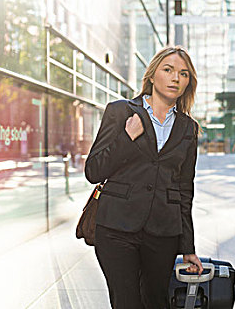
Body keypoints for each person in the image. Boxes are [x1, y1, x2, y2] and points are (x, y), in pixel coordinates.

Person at [84, 45, 203, 309]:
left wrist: (188, 247)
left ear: (188, 83)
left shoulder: (188, 129)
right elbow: (93, 170)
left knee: (156, 302)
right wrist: (127, 138)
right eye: (168, 70)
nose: (175, 78)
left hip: (163, 231)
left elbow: (185, 190)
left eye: (183, 74)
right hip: (116, 228)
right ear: (151, 75)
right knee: (126, 302)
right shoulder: (120, 112)